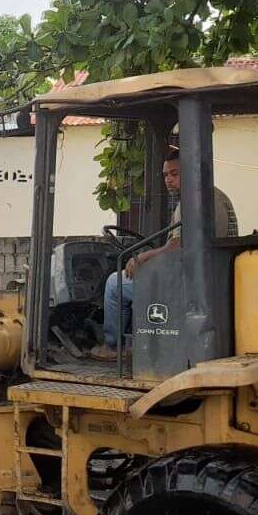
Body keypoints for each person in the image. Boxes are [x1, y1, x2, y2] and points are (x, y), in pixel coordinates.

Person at [87, 149, 237, 362]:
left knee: (114, 283)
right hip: (209, 275)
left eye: (174, 174)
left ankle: (113, 346)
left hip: (186, 281)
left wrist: (145, 256)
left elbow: (178, 246)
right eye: (166, 175)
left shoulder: (193, 202)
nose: (168, 180)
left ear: (190, 172)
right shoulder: (216, 195)